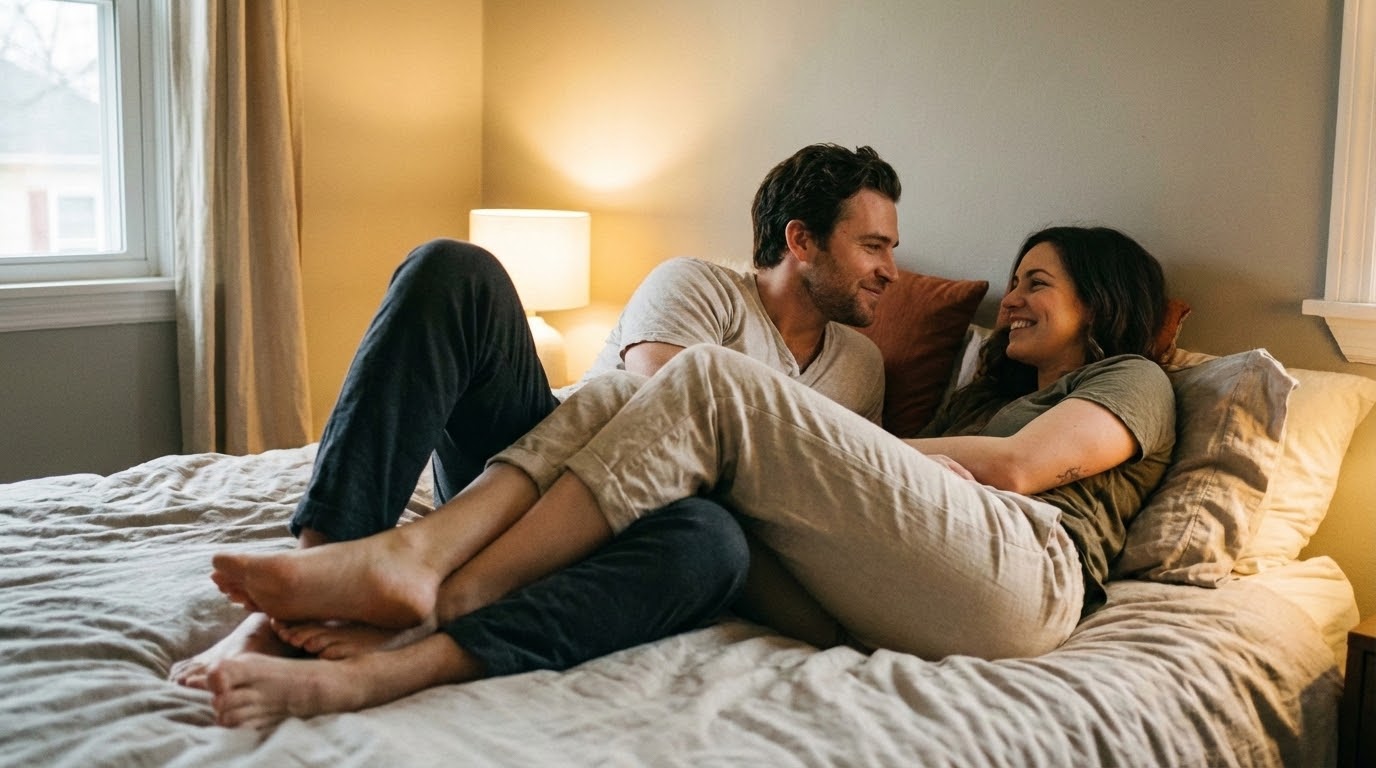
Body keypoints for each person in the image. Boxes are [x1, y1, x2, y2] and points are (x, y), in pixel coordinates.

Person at [203, 225, 1176, 728]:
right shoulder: (971, 397)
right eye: (1012, 279)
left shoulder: (1130, 380)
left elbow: (1013, 470)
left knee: (708, 382)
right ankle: (398, 599)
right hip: (869, 600)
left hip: (1023, 583)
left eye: (1034, 281)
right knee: (684, 503)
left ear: (1105, 300)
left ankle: (438, 583)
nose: (1009, 297)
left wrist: (814, 442)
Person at [170, 143, 902, 687]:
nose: (890, 271)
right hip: (531, 478)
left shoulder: (861, 368)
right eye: (873, 245)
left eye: (893, 250)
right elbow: (660, 420)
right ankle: (314, 589)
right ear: (800, 240)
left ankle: (425, 615)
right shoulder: (699, 287)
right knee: (454, 268)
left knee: (714, 542)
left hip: (642, 538)